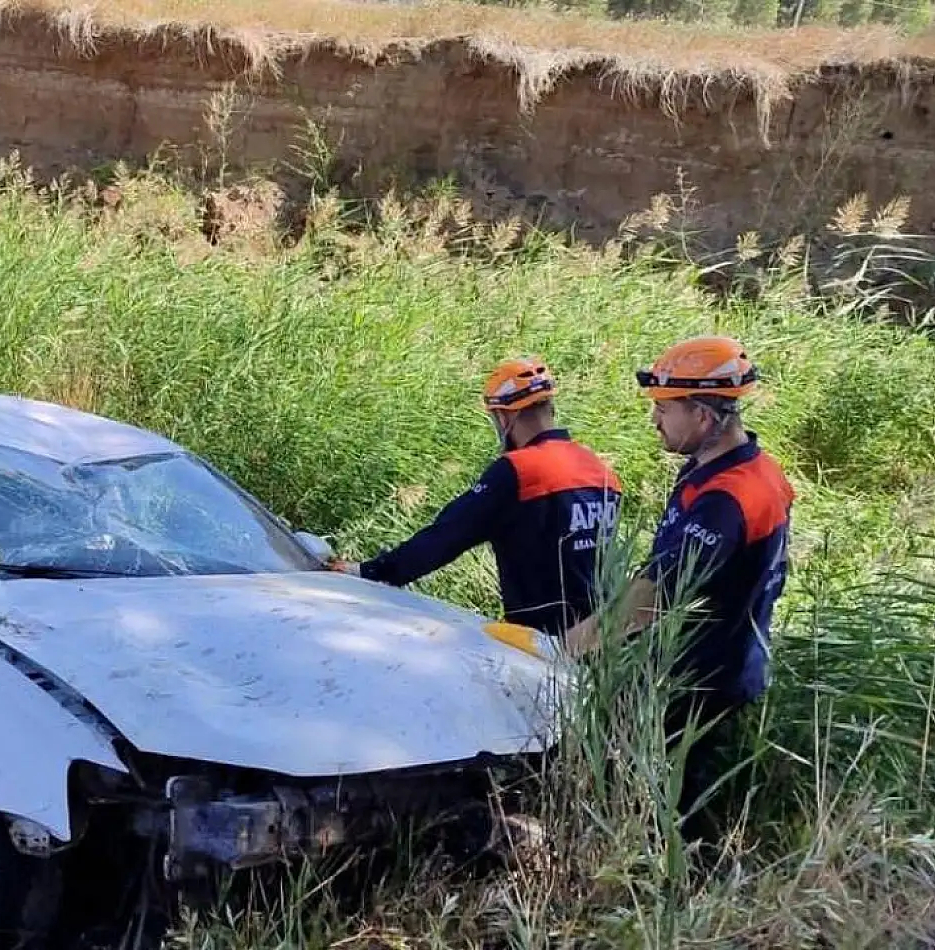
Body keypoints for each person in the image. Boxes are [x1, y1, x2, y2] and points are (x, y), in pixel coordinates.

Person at [563, 335, 795, 850]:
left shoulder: (729, 497)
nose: (655, 422)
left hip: (704, 676)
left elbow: (659, 593)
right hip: (713, 662)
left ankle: (675, 897)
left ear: (705, 416)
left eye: (664, 410)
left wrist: (569, 648)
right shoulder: (729, 470)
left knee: (668, 809)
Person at [331, 357, 623, 640]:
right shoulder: (600, 469)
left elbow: (446, 536)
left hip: (543, 642)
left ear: (505, 415)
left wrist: (372, 571)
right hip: (604, 637)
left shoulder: (518, 471)